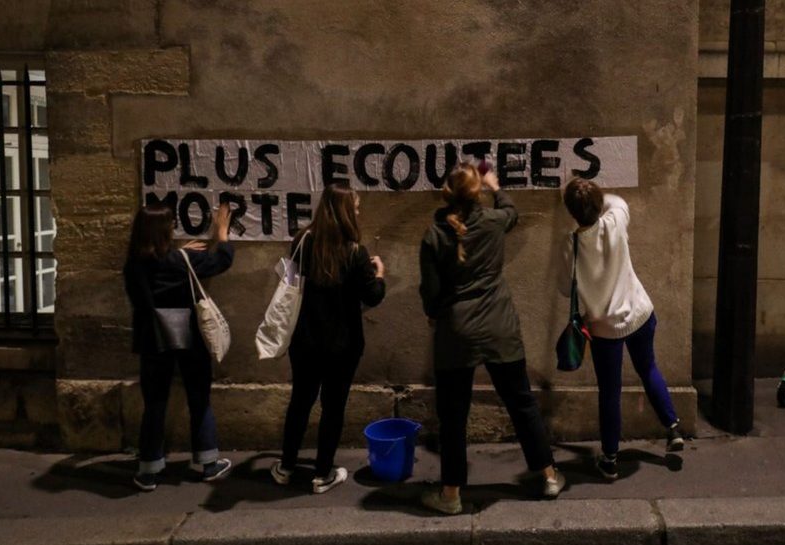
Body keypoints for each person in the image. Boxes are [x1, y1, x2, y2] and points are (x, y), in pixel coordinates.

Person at [419, 162, 564, 515]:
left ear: (448, 192)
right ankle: (548, 476)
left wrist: (437, 315)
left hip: (457, 332)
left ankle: (451, 496)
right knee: (521, 402)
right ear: (477, 192)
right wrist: (496, 186)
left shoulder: (434, 234)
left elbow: (431, 294)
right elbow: (511, 212)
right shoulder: (494, 221)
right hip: (500, 326)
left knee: (453, 416)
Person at [559, 177, 685, 481]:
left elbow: (566, 289)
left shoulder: (572, 243)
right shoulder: (615, 219)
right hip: (640, 314)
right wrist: (592, 194)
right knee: (648, 368)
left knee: (610, 391)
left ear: (573, 213)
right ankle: (672, 427)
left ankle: (611, 460)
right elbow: (616, 202)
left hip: (605, 328)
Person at [270, 182, 386, 494]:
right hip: (342, 346)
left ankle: (286, 466)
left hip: (305, 342)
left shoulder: (302, 241)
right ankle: (322, 474)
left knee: (300, 402)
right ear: (347, 212)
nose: (359, 212)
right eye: (357, 207)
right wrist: (379, 273)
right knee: (333, 407)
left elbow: (290, 280)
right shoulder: (355, 253)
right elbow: (373, 296)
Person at [123, 202, 235, 491]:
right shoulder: (181, 260)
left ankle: (148, 469)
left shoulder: (133, 263)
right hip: (188, 336)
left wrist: (181, 252)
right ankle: (208, 463)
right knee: (199, 398)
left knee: (155, 403)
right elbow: (220, 261)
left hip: (153, 339)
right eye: (171, 223)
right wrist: (221, 232)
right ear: (165, 229)